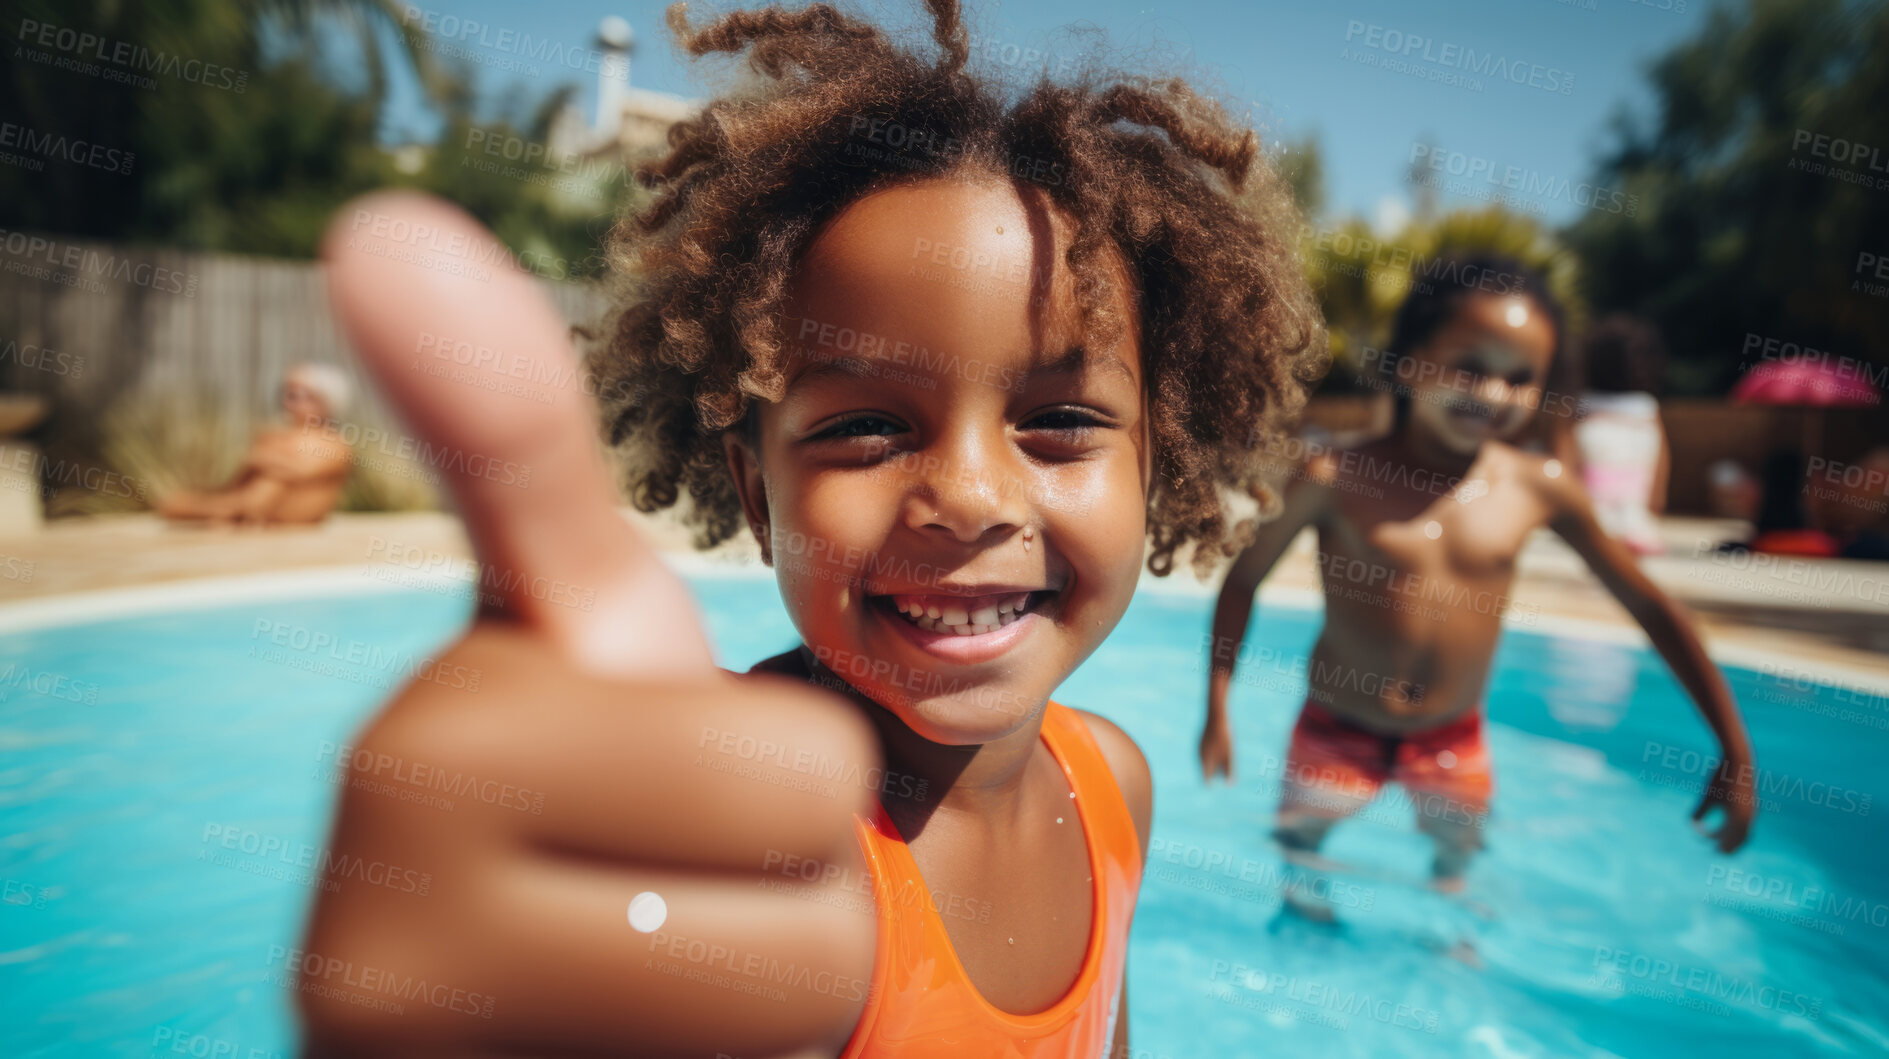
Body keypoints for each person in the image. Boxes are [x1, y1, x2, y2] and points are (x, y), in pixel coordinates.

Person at [298, 1, 1324, 1055]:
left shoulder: (1113, 784)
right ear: (755, 491)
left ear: (1155, 462)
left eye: (1059, 422)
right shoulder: (733, 854)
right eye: (868, 427)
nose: (970, 496)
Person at [1198, 254, 1756, 918]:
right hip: (1332, 727)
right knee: (1301, 863)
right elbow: (1244, 579)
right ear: (1407, 361)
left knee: (1457, 888)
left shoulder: (1535, 487)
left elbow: (1649, 607)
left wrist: (1733, 746)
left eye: (1519, 379)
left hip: (1451, 740)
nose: (1492, 394)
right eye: (1469, 368)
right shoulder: (1334, 476)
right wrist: (1217, 701)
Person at [155, 363, 353, 525]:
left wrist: (266, 463)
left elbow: (295, 473)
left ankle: (233, 512)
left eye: (302, 396)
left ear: (326, 401)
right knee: (174, 503)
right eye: (288, 394)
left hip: (284, 515)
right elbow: (240, 480)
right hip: (243, 507)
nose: (289, 402)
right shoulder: (272, 435)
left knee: (272, 482)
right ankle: (230, 512)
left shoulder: (333, 444)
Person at [1568, 314, 1670, 554]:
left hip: (1592, 510)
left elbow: (1567, 456)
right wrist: (1656, 503)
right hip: (1633, 511)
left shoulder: (1581, 406)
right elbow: (1662, 461)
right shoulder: (1647, 407)